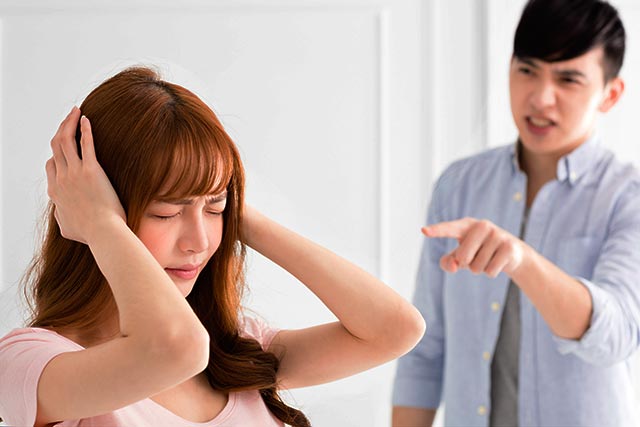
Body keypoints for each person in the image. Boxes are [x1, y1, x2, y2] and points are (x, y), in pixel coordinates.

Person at [0, 66, 425, 427]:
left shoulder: (234, 348)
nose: (199, 242)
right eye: (166, 213)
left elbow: (396, 329)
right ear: (93, 205)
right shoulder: (30, 363)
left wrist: (232, 206)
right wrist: (101, 223)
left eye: (214, 209)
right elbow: (174, 350)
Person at [392, 0, 640, 426]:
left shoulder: (627, 197)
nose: (541, 98)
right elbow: (426, 348)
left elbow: (615, 335)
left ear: (610, 94)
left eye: (568, 79)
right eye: (527, 70)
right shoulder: (459, 185)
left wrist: (521, 261)